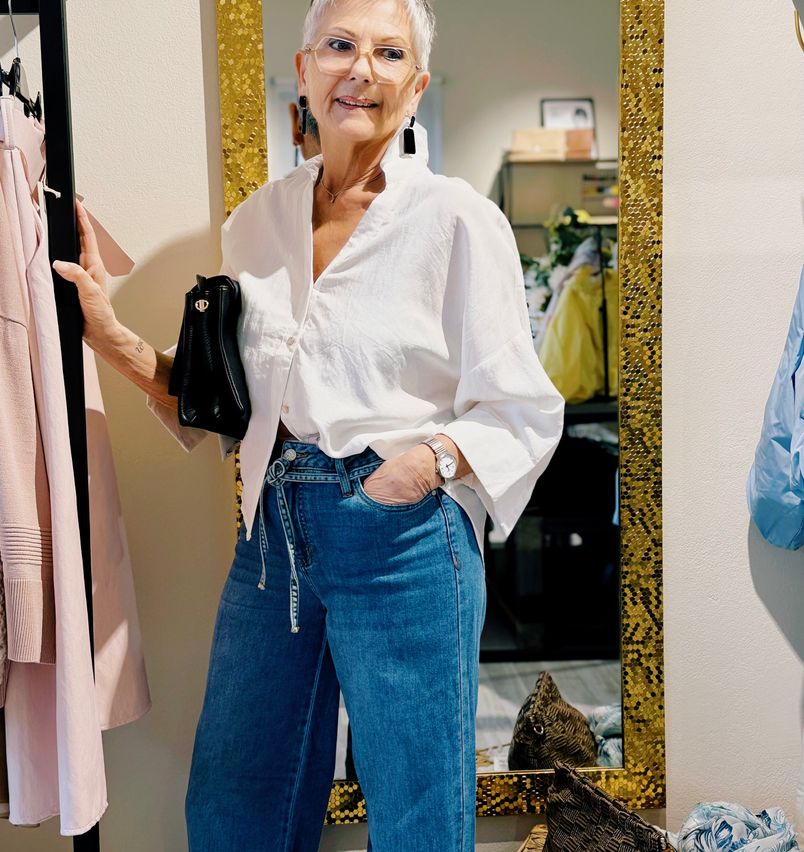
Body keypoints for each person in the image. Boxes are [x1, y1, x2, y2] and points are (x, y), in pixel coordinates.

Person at [52, 0, 564, 848]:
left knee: (415, 815)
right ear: (303, 70)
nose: (360, 68)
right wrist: (111, 338)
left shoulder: (457, 219)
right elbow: (224, 399)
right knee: (234, 803)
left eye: (388, 53)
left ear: (416, 86)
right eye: (339, 45)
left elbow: (523, 406)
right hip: (271, 533)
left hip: (402, 538)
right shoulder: (256, 221)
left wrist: (419, 469)